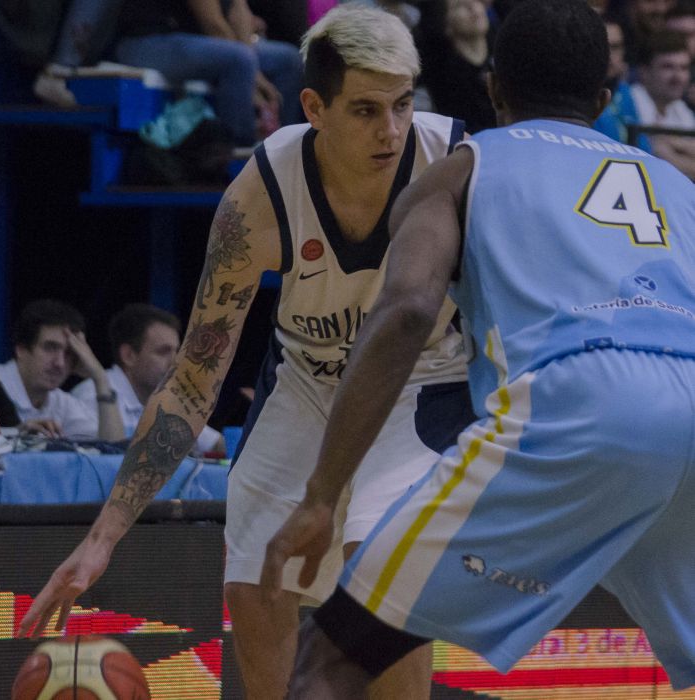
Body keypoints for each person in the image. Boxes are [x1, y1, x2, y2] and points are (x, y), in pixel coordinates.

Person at [17, 5, 474, 699]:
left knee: (378, 565)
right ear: (314, 108)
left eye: (402, 104)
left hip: (420, 382)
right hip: (310, 379)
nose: (391, 129)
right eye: (366, 110)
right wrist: (103, 537)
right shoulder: (262, 194)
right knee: (256, 581)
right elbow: (192, 382)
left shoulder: (455, 163)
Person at [259, 0, 695, 696]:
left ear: (495, 90)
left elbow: (407, 311)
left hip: (577, 399)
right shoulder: (677, 183)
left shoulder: (462, 169)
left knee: (334, 655)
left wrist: (321, 495)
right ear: (604, 99)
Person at [113, 0, 304, 146]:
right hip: (146, 41)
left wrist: (256, 72)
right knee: (239, 60)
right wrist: (255, 79)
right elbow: (213, 24)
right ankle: (240, 156)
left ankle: (283, 149)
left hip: (192, 37)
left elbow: (238, 9)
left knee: (288, 60)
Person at [71, 303, 224, 454]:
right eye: (163, 352)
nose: (176, 363)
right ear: (129, 355)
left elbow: (219, 444)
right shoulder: (93, 393)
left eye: (177, 352)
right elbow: (108, 458)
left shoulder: (166, 397)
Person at [0, 299, 124, 441]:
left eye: (69, 353)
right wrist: (14, 433)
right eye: (50, 348)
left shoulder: (60, 402)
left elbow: (113, 448)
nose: (60, 363)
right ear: (21, 349)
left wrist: (100, 377)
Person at [415, 0, 496, 133]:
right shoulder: (440, 70)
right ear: (445, 23)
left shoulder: (503, 50)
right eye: (460, 5)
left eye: (476, 0)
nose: (473, 7)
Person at [631, 29, 695, 177]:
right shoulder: (629, 103)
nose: (678, 77)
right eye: (668, 67)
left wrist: (670, 143)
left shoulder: (680, 108)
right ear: (644, 71)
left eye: (683, 68)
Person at [594, 12, 653, 151]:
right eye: (602, 46)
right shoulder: (580, 95)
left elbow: (643, 146)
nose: (609, 55)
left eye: (615, 47)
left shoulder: (624, 91)